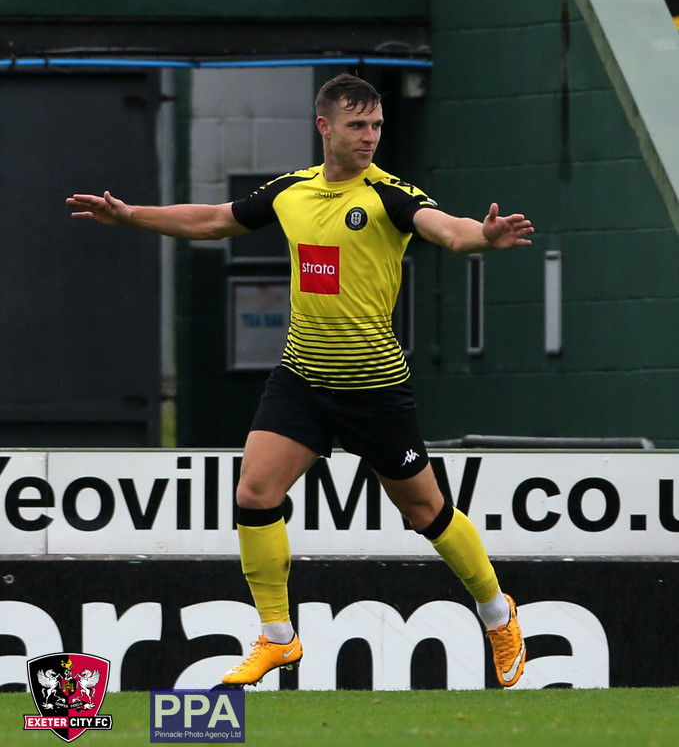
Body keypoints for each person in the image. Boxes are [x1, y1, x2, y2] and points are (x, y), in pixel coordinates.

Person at [67, 73, 533, 689]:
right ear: (324, 127)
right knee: (255, 492)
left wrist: (485, 238)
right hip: (302, 381)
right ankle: (277, 636)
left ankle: (498, 613)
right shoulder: (292, 191)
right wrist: (131, 215)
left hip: (374, 389)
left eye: (376, 126)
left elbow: (447, 229)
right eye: (356, 125)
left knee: (426, 510)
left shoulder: (390, 195)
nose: (369, 137)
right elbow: (214, 220)